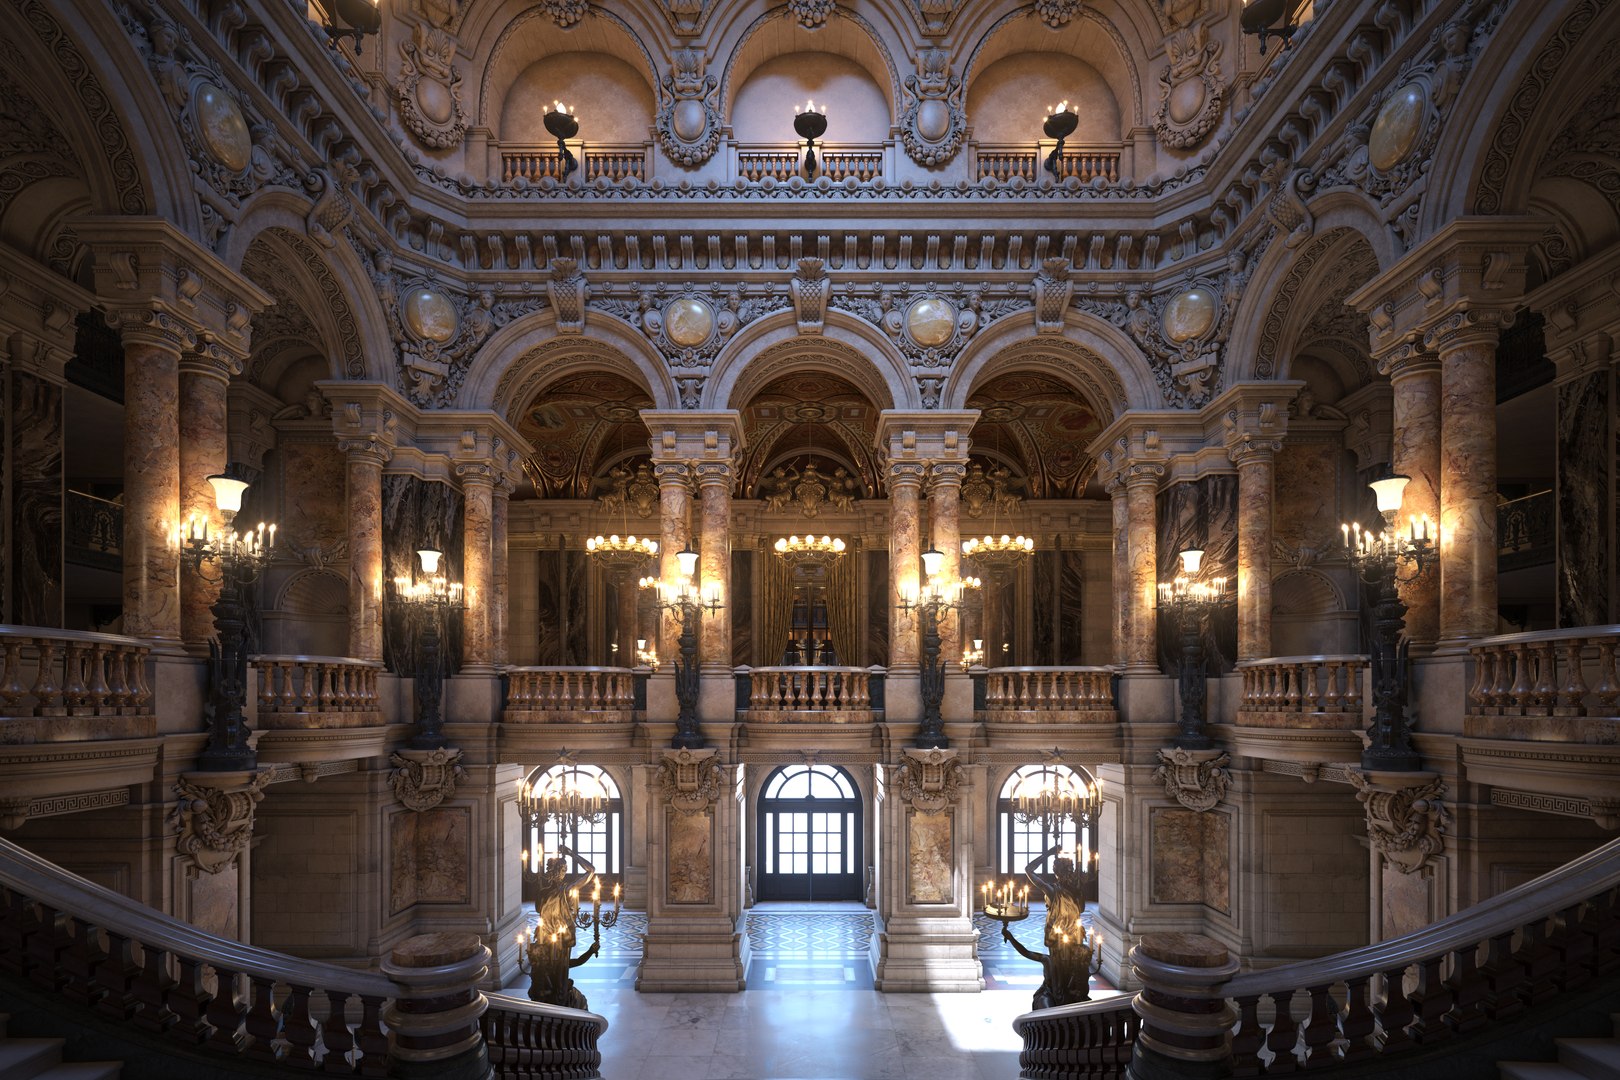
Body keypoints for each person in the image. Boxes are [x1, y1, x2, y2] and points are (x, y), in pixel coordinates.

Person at [1000, 844, 1097, 1009]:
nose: (1070, 874)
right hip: (1062, 939)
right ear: (1060, 874)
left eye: (1071, 870)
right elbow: (1029, 870)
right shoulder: (1059, 891)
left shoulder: (1068, 891)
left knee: (1071, 972)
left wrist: (1050, 853)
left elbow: (1029, 869)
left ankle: (1067, 999)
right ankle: (1061, 999)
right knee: (1062, 971)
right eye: (1067, 871)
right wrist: (1049, 852)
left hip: (1068, 938)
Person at [526, 849, 600, 1009]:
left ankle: (556, 999)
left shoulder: (544, 892)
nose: (565, 873)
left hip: (548, 937)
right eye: (563, 870)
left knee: (557, 970)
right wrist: (573, 855)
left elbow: (539, 910)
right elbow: (591, 871)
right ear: (556, 872)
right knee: (556, 971)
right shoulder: (564, 890)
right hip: (558, 938)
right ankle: (557, 1000)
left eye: (565, 870)